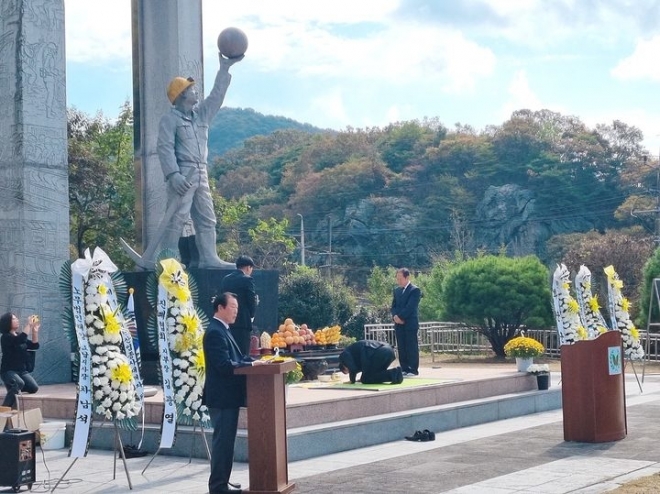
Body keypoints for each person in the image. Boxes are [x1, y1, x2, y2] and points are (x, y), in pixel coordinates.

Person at [144, 52, 244, 270]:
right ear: (181, 95)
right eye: (191, 89)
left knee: (207, 217)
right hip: (183, 174)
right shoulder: (170, 120)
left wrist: (224, 69)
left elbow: (216, 96)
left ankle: (209, 258)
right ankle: (168, 260)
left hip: (201, 172)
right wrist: (173, 175)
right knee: (177, 218)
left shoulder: (202, 115)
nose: (195, 91)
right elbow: (164, 148)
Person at [203, 292, 266, 494]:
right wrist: (249, 364)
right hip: (222, 398)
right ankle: (218, 487)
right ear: (220, 308)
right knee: (223, 443)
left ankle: (223, 482)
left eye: (238, 309)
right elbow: (223, 365)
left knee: (227, 443)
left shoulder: (224, 329)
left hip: (228, 397)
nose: (236, 312)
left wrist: (252, 362)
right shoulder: (214, 331)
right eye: (232, 307)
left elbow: (236, 357)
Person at [0, 312, 40, 408]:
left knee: (33, 388)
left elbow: (35, 345)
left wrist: (35, 331)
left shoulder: (18, 335)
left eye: (16, 318)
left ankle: (14, 388)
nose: (17, 320)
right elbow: (19, 339)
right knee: (19, 383)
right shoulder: (5, 337)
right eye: (14, 319)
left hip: (21, 371)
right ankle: (4, 409)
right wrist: (29, 325)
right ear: (7, 322)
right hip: (8, 371)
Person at [220, 256, 257, 355]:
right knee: (243, 354)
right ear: (248, 267)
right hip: (243, 322)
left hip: (227, 322)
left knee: (230, 353)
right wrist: (252, 316)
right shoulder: (247, 279)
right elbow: (251, 300)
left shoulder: (226, 279)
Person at [391, 268, 422, 376]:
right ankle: (404, 368)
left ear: (407, 277)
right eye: (397, 279)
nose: (398, 281)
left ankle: (413, 369)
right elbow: (393, 306)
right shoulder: (397, 291)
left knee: (411, 346)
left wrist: (401, 317)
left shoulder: (414, 290)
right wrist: (395, 316)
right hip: (399, 324)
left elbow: (410, 307)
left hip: (410, 323)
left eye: (400, 279)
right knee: (401, 346)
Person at [339, 340, 403, 384]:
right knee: (373, 375)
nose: (349, 371)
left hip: (380, 352)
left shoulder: (344, 355)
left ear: (344, 366)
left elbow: (353, 369)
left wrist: (352, 381)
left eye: (347, 371)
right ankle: (395, 374)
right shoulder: (353, 353)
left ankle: (394, 373)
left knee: (366, 379)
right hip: (388, 350)